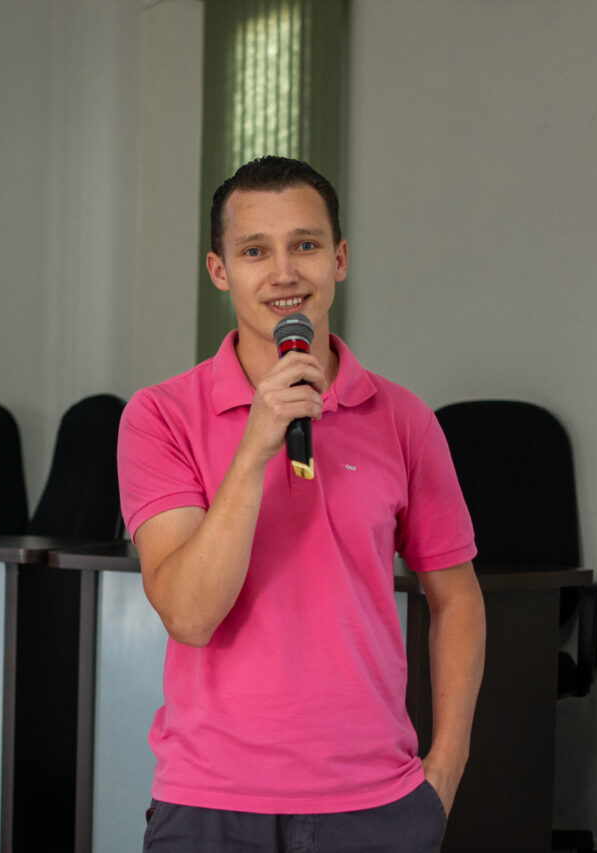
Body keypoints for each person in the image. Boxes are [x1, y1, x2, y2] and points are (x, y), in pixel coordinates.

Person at [117, 156, 486, 852]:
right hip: (209, 805)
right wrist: (256, 443)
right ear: (220, 270)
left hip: (376, 805)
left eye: (306, 245)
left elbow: (457, 598)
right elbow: (191, 614)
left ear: (339, 259)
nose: (284, 272)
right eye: (255, 250)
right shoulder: (159, 415)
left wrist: (445, 770)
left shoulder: (403, 418)